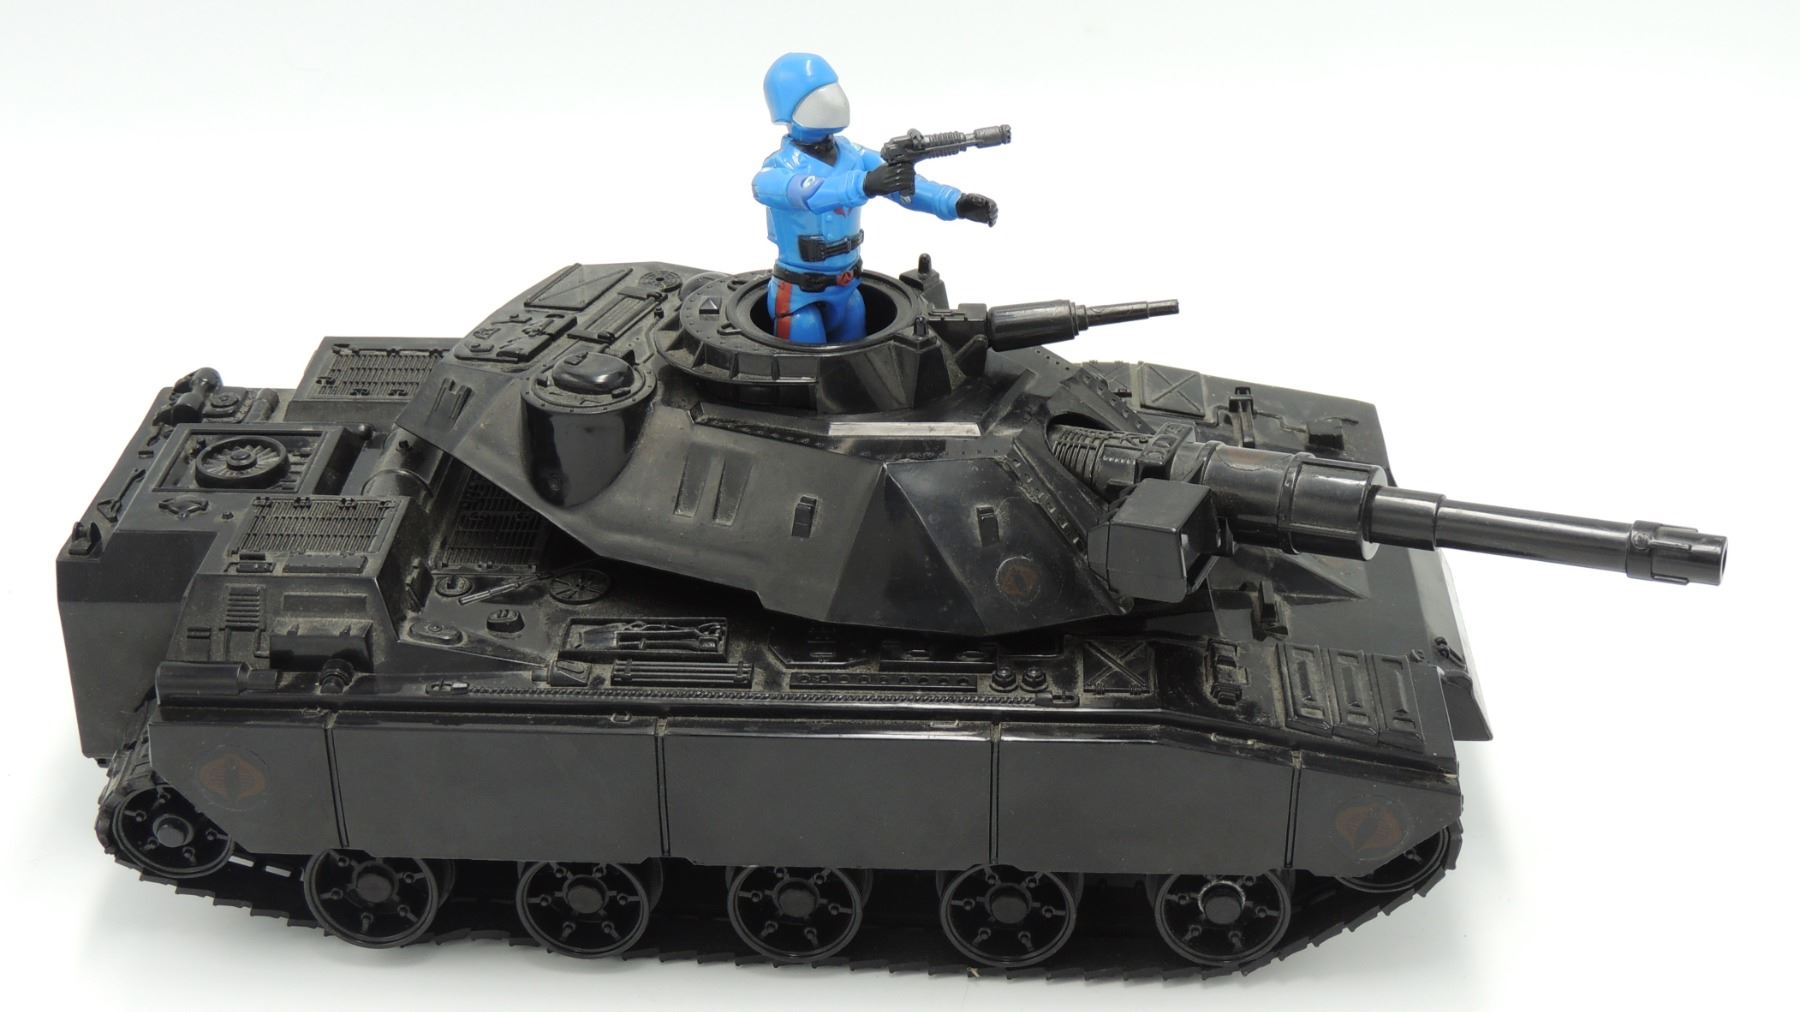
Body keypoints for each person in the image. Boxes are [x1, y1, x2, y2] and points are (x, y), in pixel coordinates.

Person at [752, 53, 998, 344]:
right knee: (804, 340)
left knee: (858, 337)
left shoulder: (852, 154)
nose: (831, 100)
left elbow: (905, 186)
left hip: (847, 288)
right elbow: (811, 193)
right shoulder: (777, 169)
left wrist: (955, 202)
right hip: (799, 296)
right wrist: (865, 183)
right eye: (815, 94)